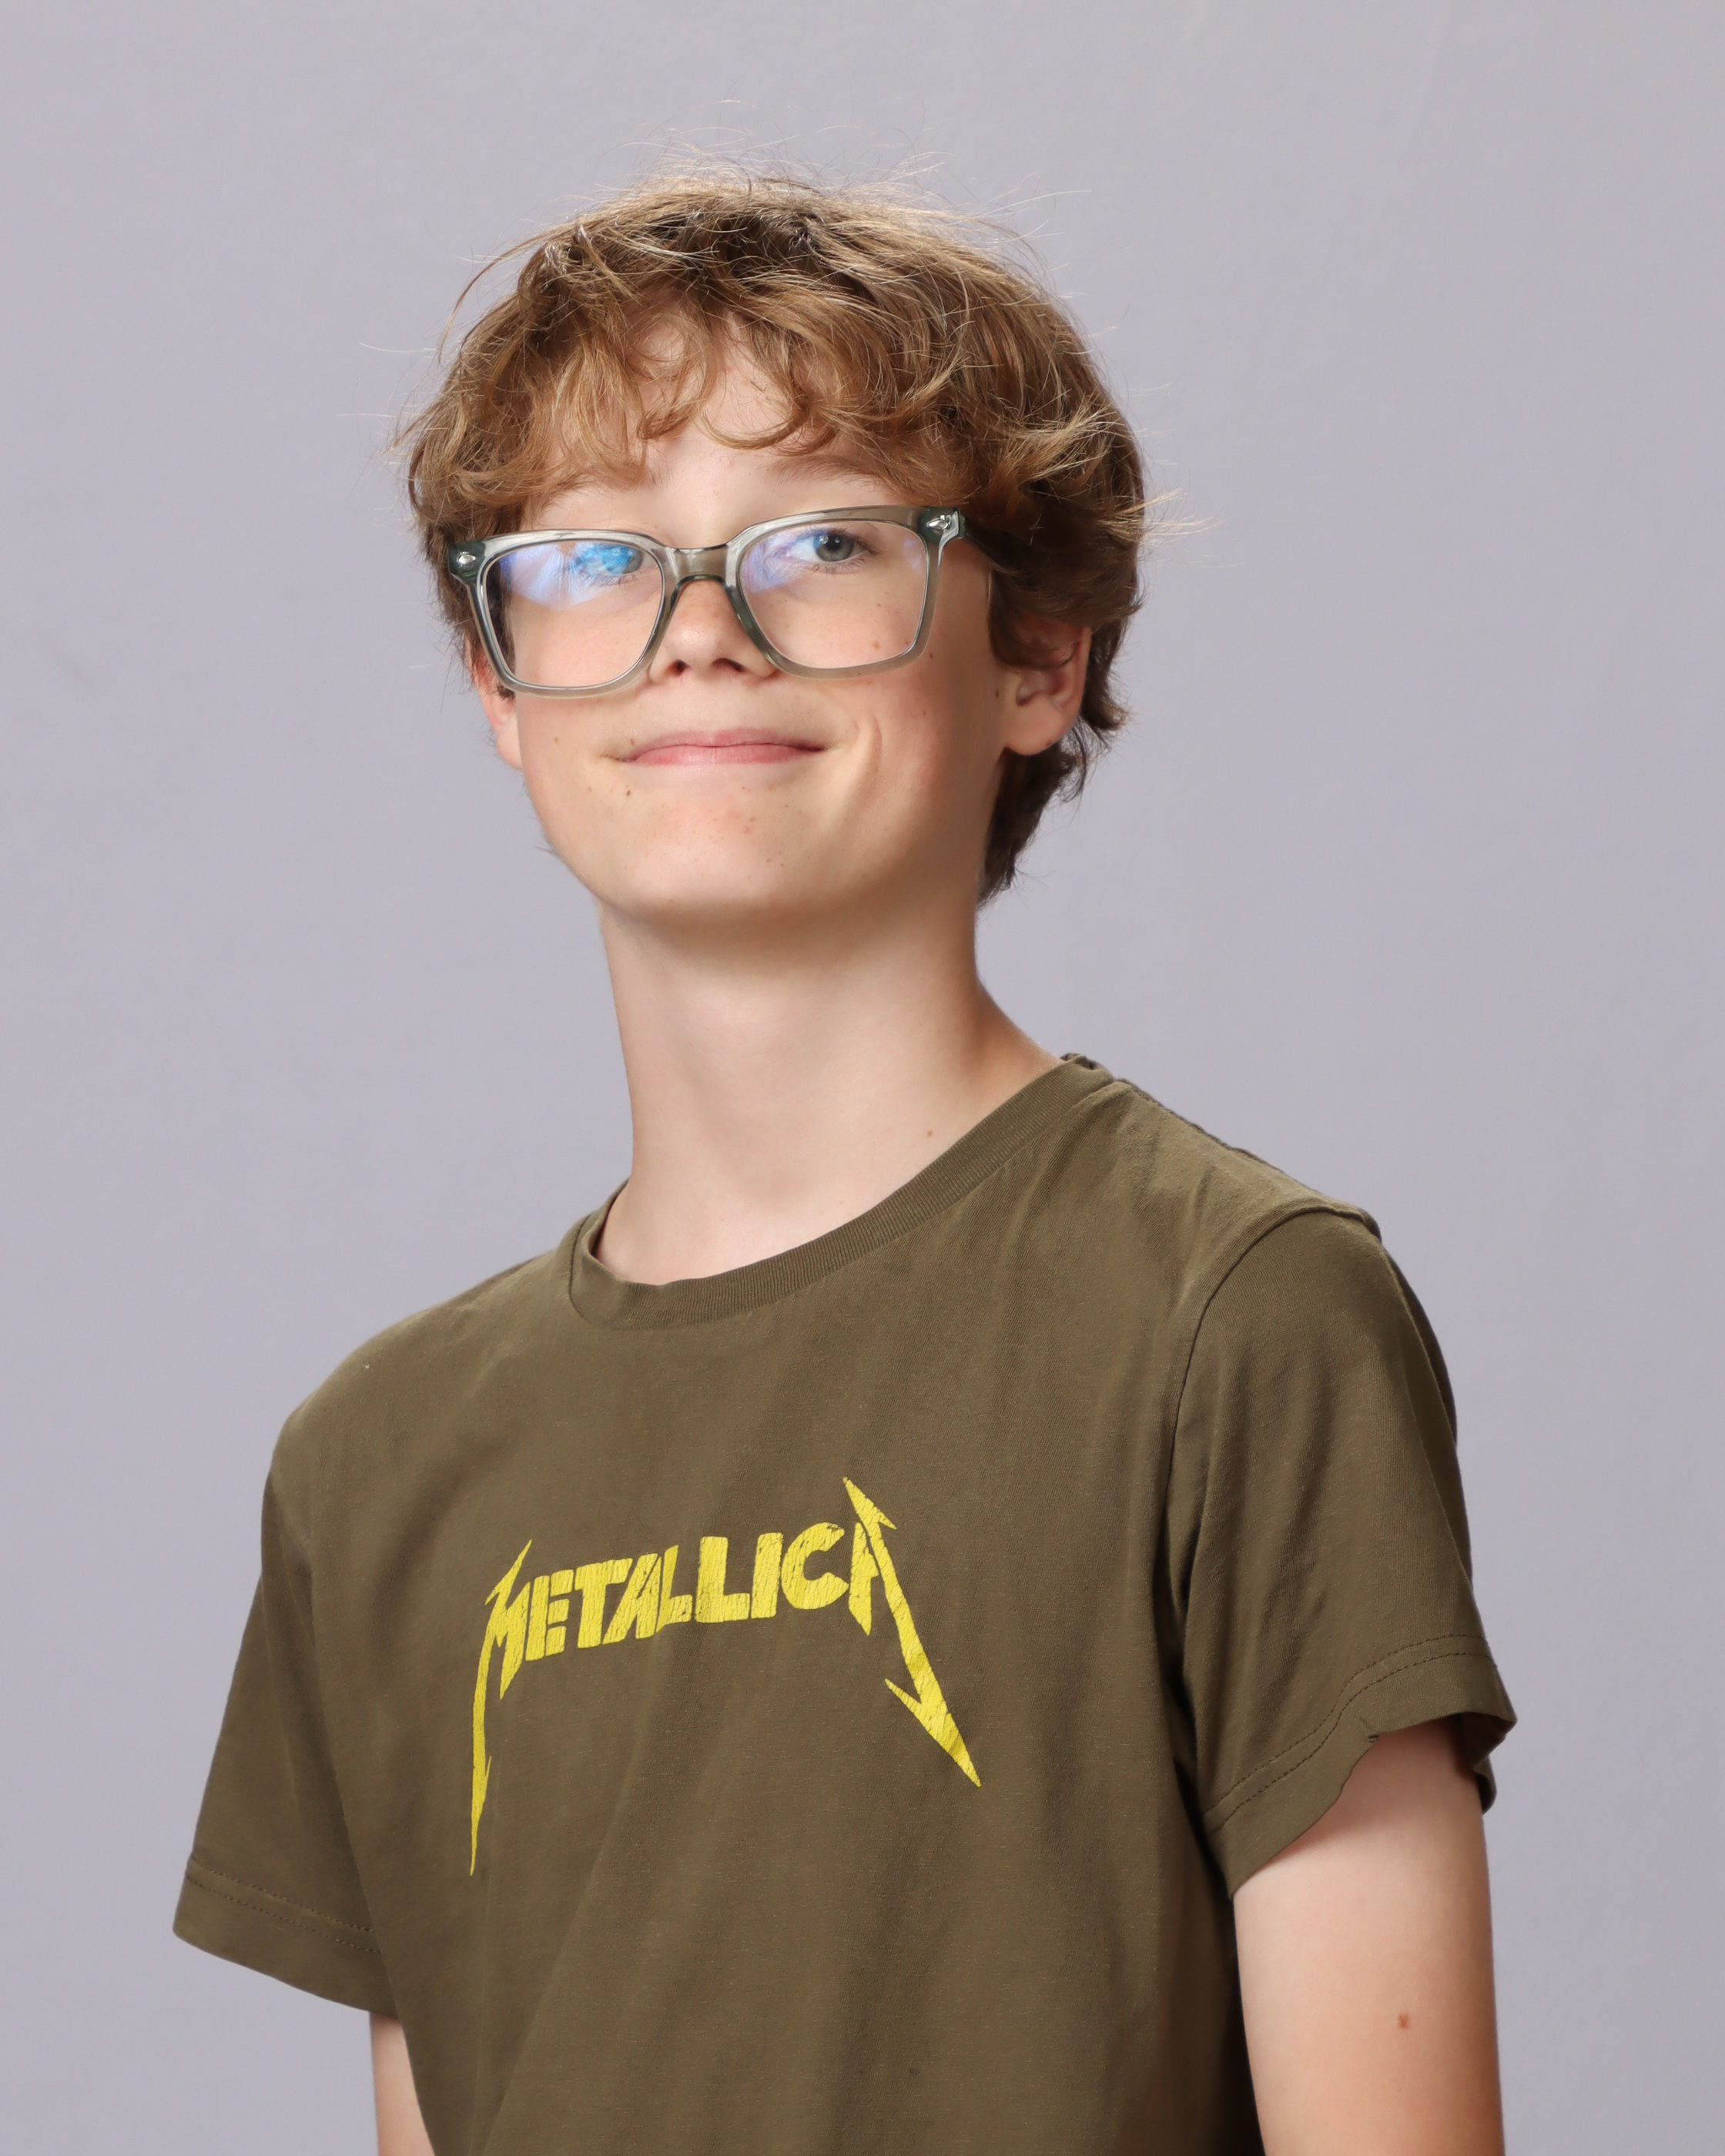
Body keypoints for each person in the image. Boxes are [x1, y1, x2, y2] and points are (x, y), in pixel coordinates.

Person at [173, 171, 1515, 2156]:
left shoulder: (1232, 1316)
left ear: (1036, 655)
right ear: (498, 685)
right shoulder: (373, 1464)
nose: (699, 636)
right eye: (592, 558)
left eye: (821, 544)